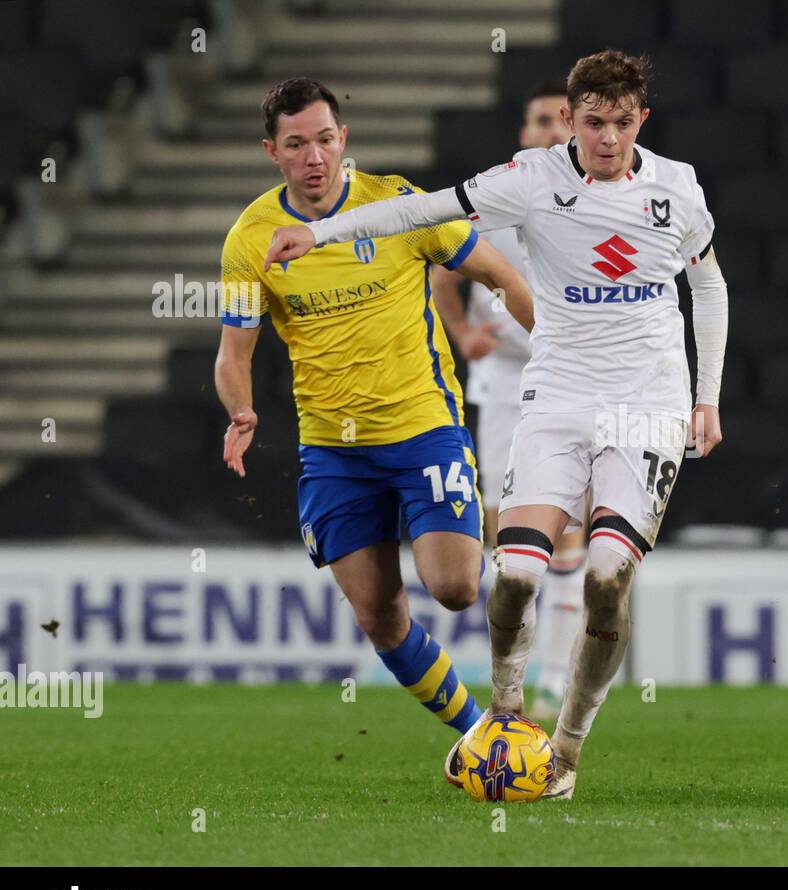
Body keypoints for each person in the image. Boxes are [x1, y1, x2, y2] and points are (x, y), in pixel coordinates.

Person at [263, 51, 728, 801]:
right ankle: (507, 722)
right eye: (592, 122)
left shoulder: (677, 188)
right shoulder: (533, 177)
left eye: (621, 123)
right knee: (511, 577)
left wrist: (706, 397)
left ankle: (567, 748)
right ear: (570, 121)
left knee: (609, 576)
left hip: (648, 399)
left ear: (641, 120)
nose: (606, 139)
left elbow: (707, 284)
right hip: (557, 395)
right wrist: (319, 236)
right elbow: (424, 208)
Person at [215, 77, 533, 739]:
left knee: (455, 588)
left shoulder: (397, 205)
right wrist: (241, 410)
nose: (314, 157)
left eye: (325, 140)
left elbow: (500, 275)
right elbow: (233, 354)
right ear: (271, 151)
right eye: (296, 143)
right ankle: (480, 735)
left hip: (423, 431)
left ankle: (525, 650)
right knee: (380, 618)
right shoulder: (252, 239)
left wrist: (560, 353)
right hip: (333, 450)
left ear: (344, 141)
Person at [428, 78, 585, 724]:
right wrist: (462, 332)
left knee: (568, 539)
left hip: (568, 384)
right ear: (525, 134)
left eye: (559, 120)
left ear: (574, 129)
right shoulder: (501, 192)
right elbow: (441, 263)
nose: (549, 130)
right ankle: (514, 685)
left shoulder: (598, 201)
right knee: (507, 540)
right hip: (502, 389)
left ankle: (555, 682)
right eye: (538, 120)